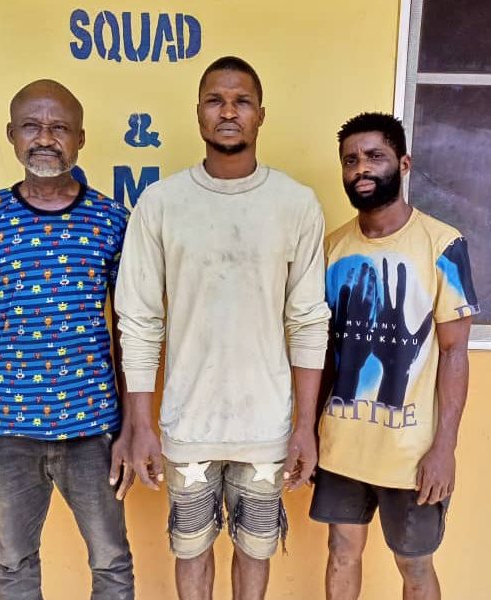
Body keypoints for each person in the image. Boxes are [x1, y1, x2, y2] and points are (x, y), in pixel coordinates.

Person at [114, 56, 330, 600]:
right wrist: (140, 424)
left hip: (266, 425)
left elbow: (308, 321)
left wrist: (305, 426)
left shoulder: (296, 204)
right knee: (190, 550)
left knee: (256, 552)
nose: (228, 112)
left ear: (261, 115)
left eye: (241, 101)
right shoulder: (161, 203)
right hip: (188, 424)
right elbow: (139, 319)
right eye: (216, 100)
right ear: (198, 113)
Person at [0, 79, 135, 600]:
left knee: (112, 563)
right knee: (14, 564)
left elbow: (129, 331)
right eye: (32, 126)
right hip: (9, 431)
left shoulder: (112, 221)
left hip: (94, 430)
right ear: (11, 135)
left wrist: (133, 428)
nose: (45, 138)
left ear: (80, 139)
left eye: (59, 127)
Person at [310, 113, 479, 600]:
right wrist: (310, 431)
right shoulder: (332, 248)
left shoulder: (443, 245)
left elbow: (455, 352)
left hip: (411, 452)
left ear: (403, 164)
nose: (361, 168)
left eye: (374, 156)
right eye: (350, 160)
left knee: (415, 564)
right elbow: (322, 353)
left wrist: (444, 449)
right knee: (342, 551)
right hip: (342, 443)